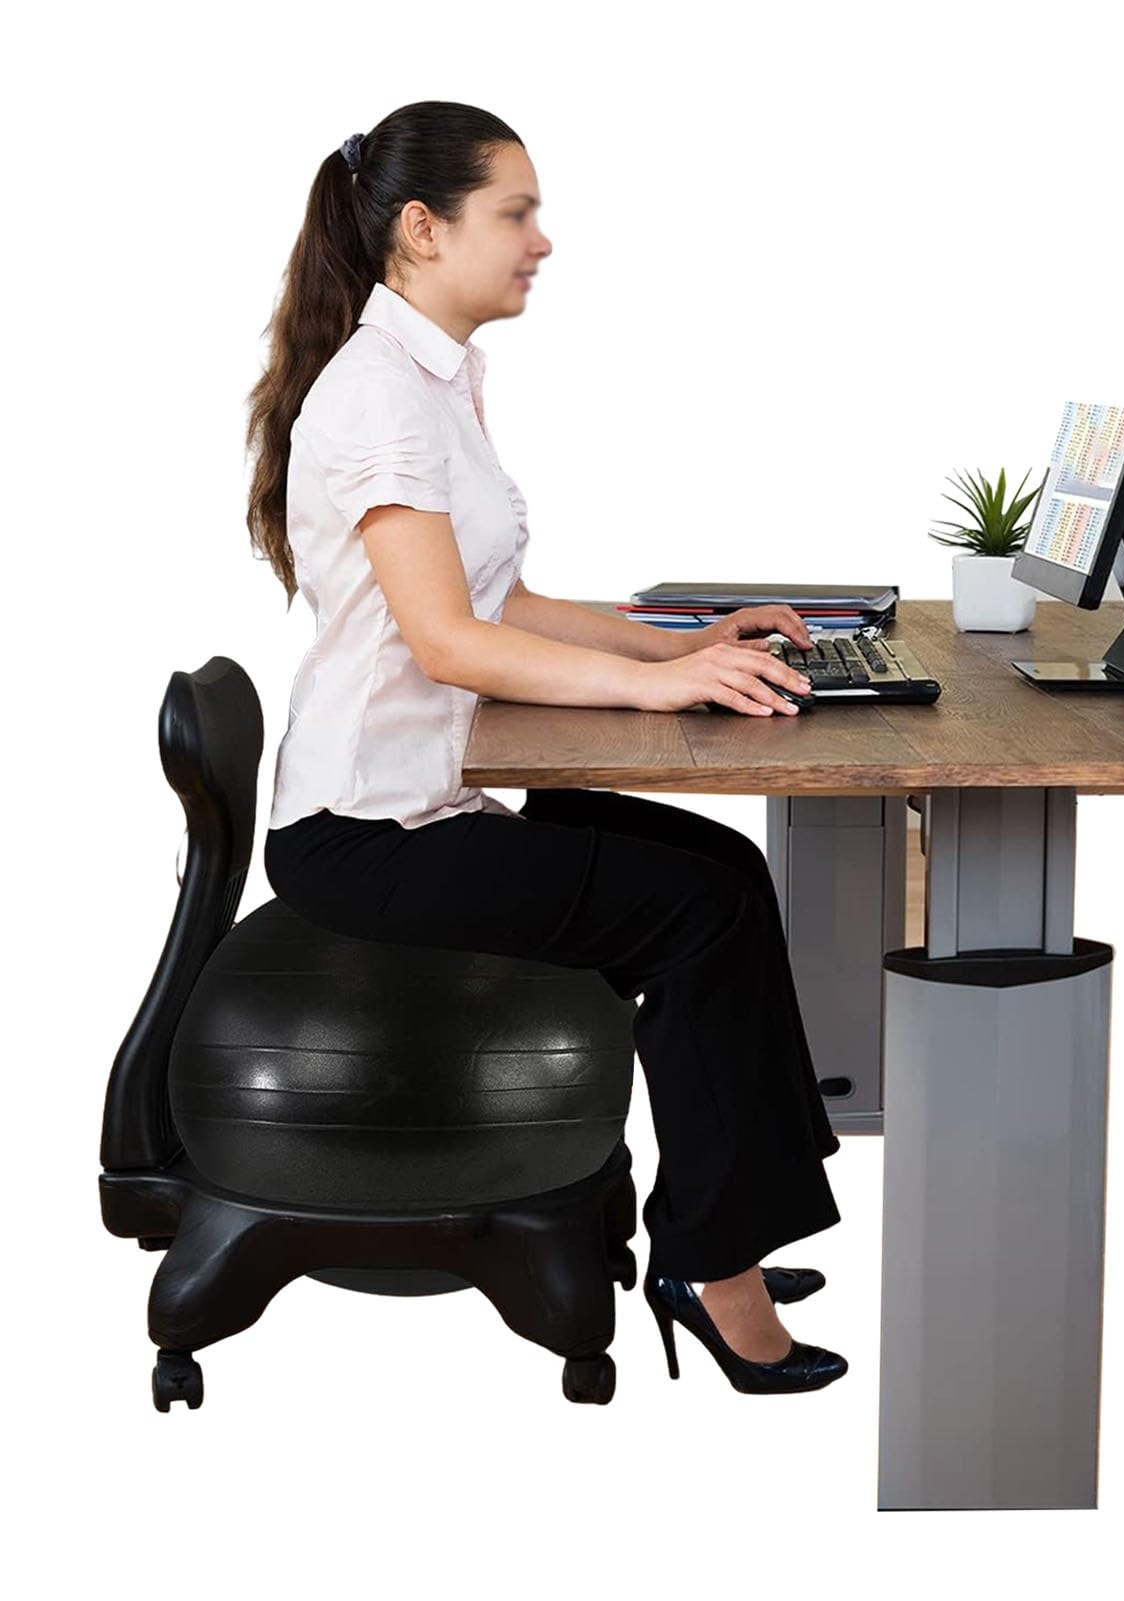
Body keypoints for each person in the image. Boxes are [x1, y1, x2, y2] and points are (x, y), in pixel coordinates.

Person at [244, 100, 846, 1395]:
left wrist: (673, 635)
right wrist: (663, 687)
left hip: (424, 802)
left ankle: (725, 1220)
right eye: (514, 213)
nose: (542, 241)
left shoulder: (432, 377)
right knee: (695, 912)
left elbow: (506, 605)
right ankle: (712, 1264)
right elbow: (453, 643)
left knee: (725, 879)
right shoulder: (379, 398)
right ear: (422, 228)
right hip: (369, 838)